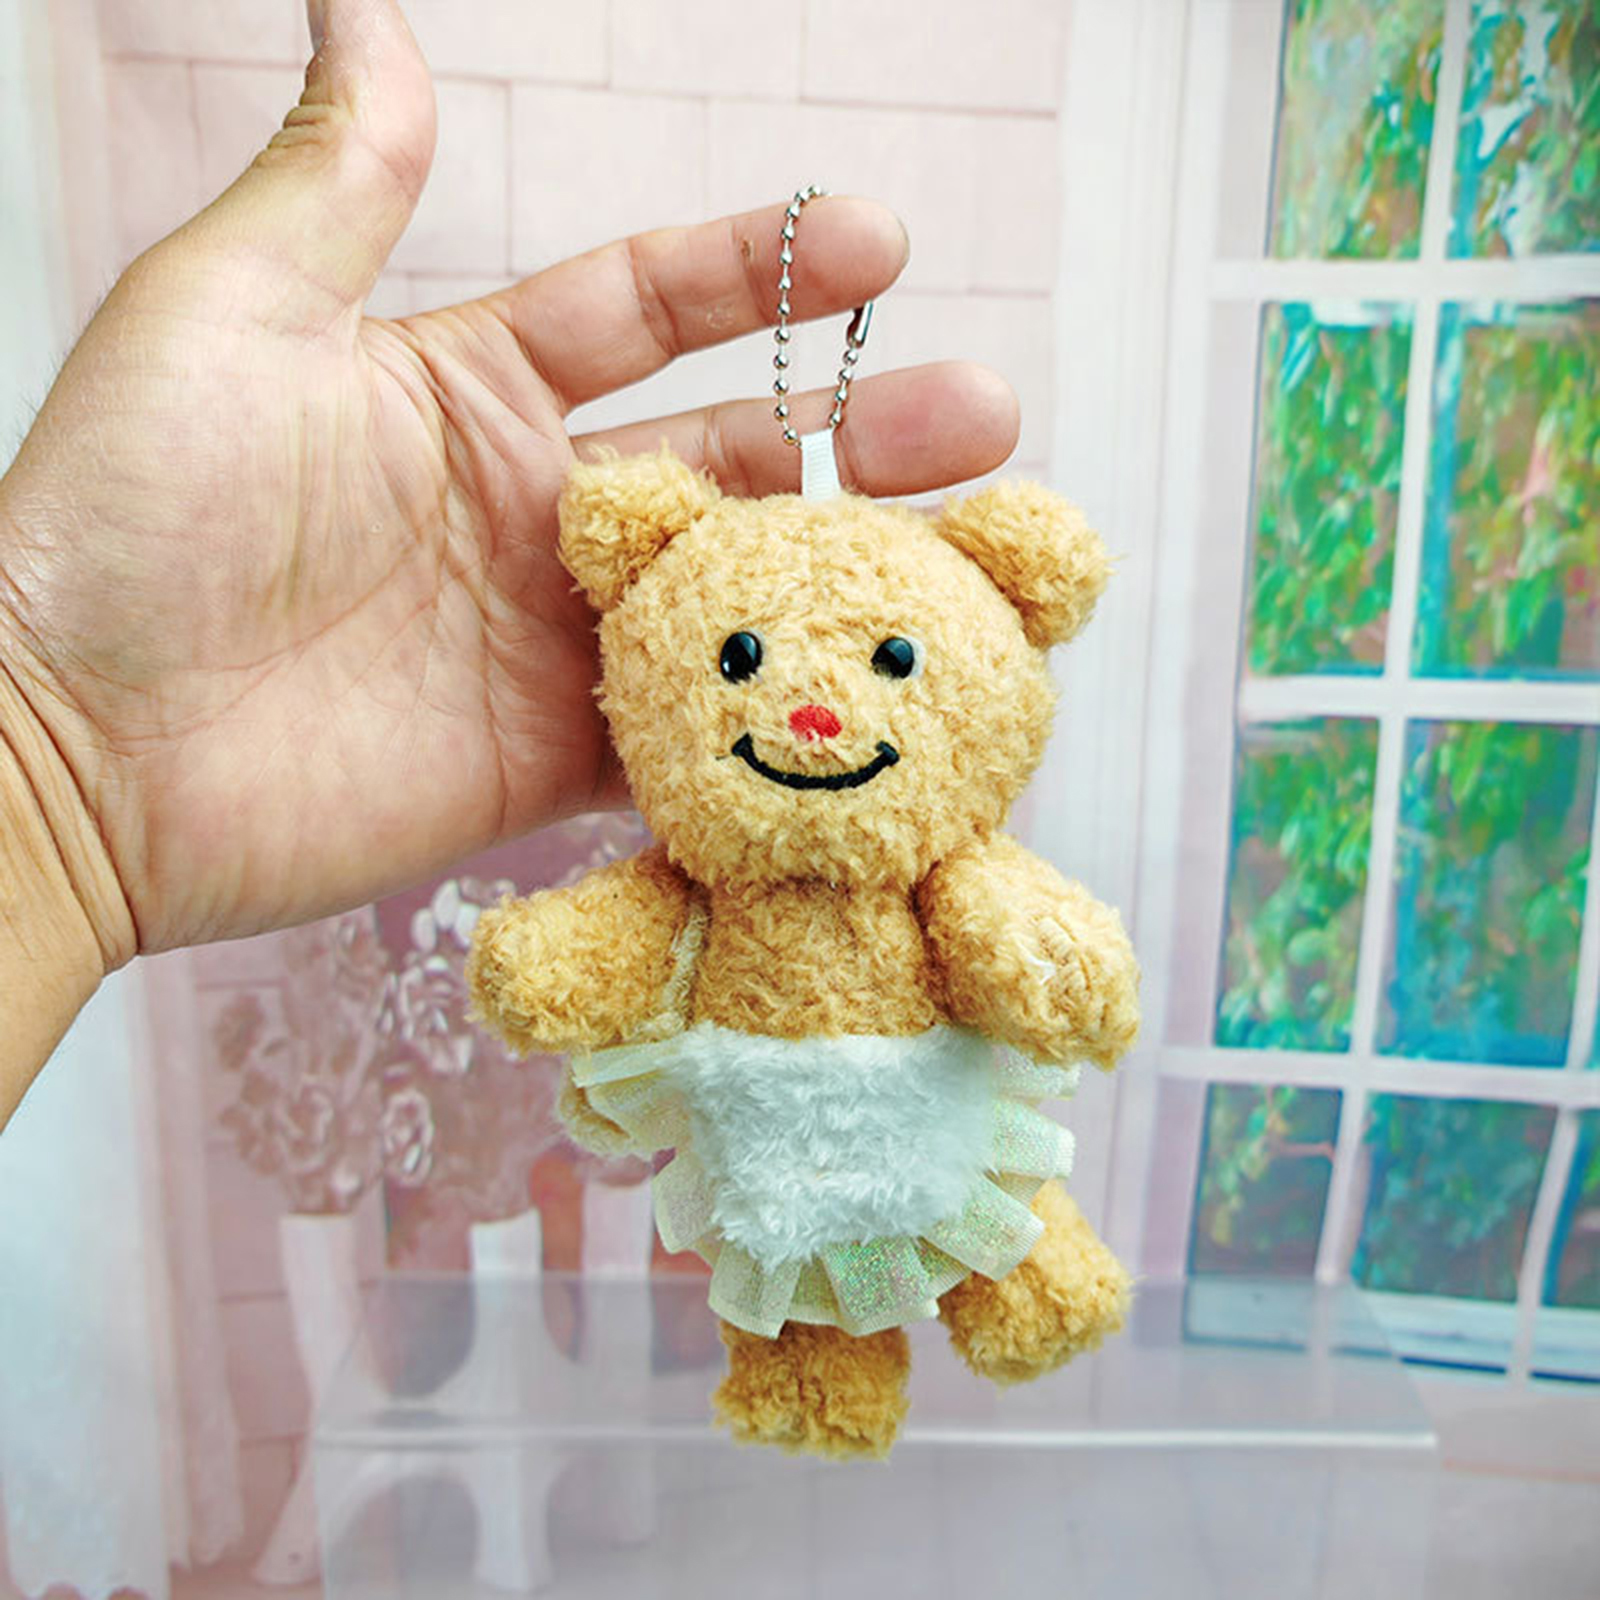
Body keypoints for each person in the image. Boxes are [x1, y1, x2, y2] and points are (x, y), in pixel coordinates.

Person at [0, 0, 1020, 1127]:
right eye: (739, 657)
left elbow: (1042, 960)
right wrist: (48, 751)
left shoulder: (949, 883)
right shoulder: (686, 860)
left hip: (937, 1144)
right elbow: (585, 954)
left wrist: (50, 775)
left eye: (889, 660)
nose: (817, 716)